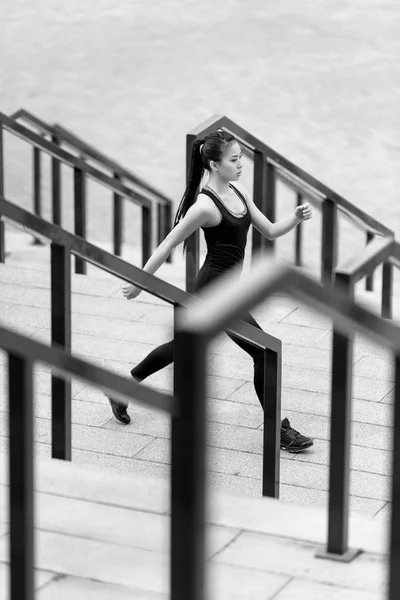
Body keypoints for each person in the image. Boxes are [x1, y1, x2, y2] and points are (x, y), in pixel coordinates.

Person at [107, 130, 314, 452]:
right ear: (215, 165)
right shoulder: (204, 206)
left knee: (182, 348)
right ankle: (278, 431)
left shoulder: (239, 191)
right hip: (214, 293)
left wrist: (295, 218)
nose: (241, 164)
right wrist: (139, 282)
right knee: (265, 352)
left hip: (230, 290)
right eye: (234, 160)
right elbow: (168, 243)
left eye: (241, 158)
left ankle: (120, 388)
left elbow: (270, 232)